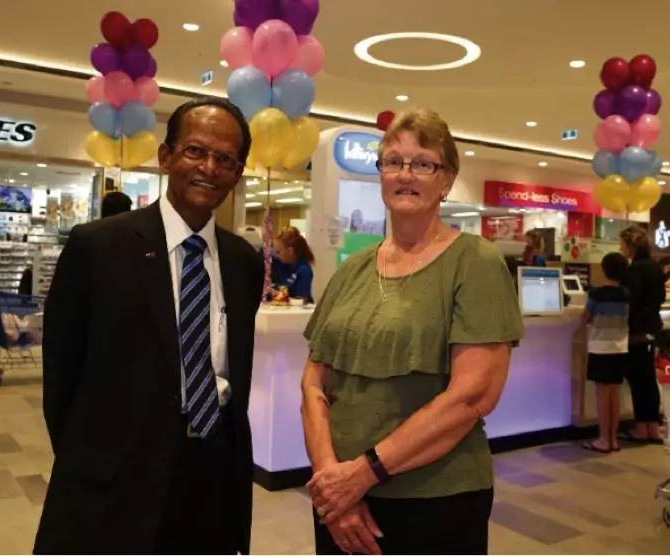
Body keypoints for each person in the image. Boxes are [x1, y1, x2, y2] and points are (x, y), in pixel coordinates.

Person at [34, 97, 264, 554]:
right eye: (195, 151)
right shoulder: (98, 248)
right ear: (165, 156)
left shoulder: (243, 262)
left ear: (238, 173)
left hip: (211, 474)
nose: (210, 168)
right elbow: (61, 376)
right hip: (116, 476)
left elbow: (235, 371)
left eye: (225, 159)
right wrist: (90, 461)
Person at [301, 108, 524, 555]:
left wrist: (362, 474)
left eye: (423, 163)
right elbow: (313, 383)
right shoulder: (352, 270)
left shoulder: (475, 263)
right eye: (393, 161)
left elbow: (471, 397)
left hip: (435, 501)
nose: (406, 174)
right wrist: (332, 482)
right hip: (340, 500)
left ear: (446, 181)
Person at [619, 225, 666, 444]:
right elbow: (660, 297)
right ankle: (653, 428)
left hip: (636, 330)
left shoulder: (633, 270)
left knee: (637, 381)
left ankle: (640, 428)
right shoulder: (656, 267)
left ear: (630, 245)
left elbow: (630, 300)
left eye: (622, 243)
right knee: (649, 380)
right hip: (652, 328)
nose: (621, 248)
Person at [581, 252, 630, 453]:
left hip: (600, 347)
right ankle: (613, 439)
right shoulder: (626, 294)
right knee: (614, 393)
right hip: (619, 347)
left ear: (603, 269)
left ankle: (603, 439)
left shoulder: (597, 294)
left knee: (602, 393)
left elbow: (585, 318)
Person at [272, 225, 315, 303]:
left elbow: (301, 302)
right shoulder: (283, 264)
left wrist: (277, 295)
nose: (276, 256)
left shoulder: (304, 270)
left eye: (278, 252)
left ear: (290, 251)